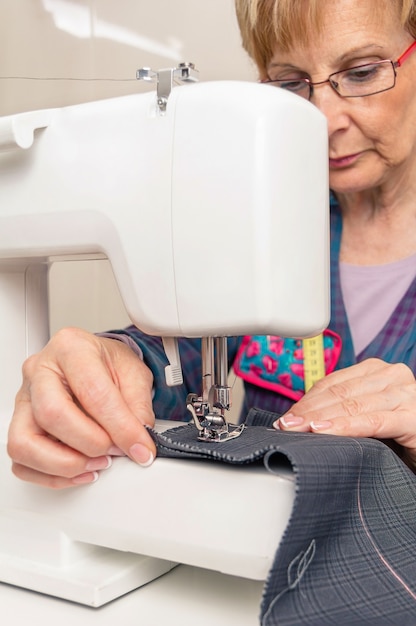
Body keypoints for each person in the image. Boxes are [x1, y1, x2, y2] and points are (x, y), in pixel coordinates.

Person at [7, 0, 416, 488]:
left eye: (363, 73)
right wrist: (114, 363)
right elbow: (181, 354)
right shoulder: (262, 221)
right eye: (290, 85)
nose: (324, 121)